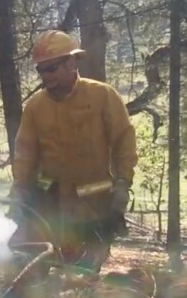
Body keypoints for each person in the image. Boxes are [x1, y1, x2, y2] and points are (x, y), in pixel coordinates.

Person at [10, 30, 137, 274]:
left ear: (71, 63)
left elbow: (124, 141)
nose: (46, 76)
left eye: (52, 68)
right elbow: (25, 153)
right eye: (41, 70)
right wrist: (20, 190)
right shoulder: (36, 107)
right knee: (38, 272)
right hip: (50, 206)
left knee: (82, 276)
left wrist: (122, 183)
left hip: (94, 207)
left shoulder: (103, 96)